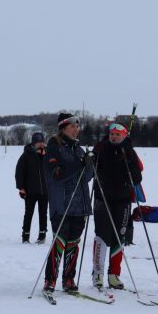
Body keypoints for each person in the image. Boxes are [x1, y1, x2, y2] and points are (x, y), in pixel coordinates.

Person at [42, 113, 94, 293]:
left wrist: (89, 164)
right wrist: (78, 165)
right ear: (63, 128)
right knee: (59, 242)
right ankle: (50, 279)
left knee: (73, 243)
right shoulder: (53, 147)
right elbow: (57, 174)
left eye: (78, 126)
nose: (76, 129)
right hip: (61, 204)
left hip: (80, 205)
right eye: (73, 126)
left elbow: (87, 177)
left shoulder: (78, 149)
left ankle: (69, 279)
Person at [91, 122, 142, 289]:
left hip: (123, 200)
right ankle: (97, 273)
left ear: (124, 136)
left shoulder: (129, 150)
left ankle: (114, 275)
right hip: (102, 198)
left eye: (117, 135)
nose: (114, 137)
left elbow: (137, 177)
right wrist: (91, 160)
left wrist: (128, 163)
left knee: (119, 236)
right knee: (101, 236)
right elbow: (91, 169)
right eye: (112, 134)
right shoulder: (101, 147)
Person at [15, 131, 48, 244]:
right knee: (28, 213)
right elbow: (19, 173)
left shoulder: (48, 155)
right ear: (33, 143)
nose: (40, 144)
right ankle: (25, 235)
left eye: (41, 142)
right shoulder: (26, 156)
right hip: (30, 191)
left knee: (43, 213)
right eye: (37, 142)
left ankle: (42, 235)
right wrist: (21, 188)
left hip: (45, 191)